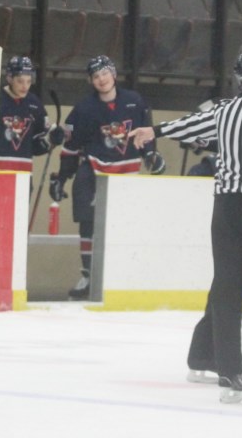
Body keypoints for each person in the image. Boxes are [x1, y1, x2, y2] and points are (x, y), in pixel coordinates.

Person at [129, 51, 242, 407]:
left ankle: (229, 371)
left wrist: (155, 130)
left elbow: (190, 126)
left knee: (228, 288)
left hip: (225, 208)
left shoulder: (224, 111)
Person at [49, 56, 164, 300]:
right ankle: (89, 276)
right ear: (91, 80)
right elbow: (71, 148)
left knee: (125, 228)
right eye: (96, 76)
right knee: (88, 224)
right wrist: (61, 178)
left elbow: (145, 136)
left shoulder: (134, 101)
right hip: (93, 173)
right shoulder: (84, 109)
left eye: (105, 73)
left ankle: (121, 275)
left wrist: (151, 156)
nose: (101, 79)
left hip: (127, 176)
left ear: (113, 74)